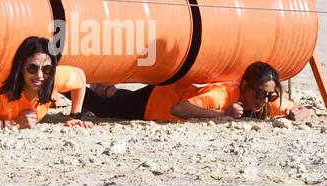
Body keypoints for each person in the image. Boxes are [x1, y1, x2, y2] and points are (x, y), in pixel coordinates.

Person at [83, 62, 311, 122]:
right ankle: (63, 83)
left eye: (269, 95)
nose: (263, 101)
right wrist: (223, 116)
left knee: (119, 98)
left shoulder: (269, 99)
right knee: (103, 108)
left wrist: (302, 112)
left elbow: (297, 109)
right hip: (156, 102)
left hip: (167, 93)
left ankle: (107, 88)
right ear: (244, 86)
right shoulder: (221, 96)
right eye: (259, 94)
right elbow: (179, 108)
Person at [0, 36, 93, 129]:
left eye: (46, 69)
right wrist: (15, 124)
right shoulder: (2, 86)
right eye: (32, 68)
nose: (40, 76)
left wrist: (74, 117)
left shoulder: (52, 77)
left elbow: (80, 75)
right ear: (21, 67)